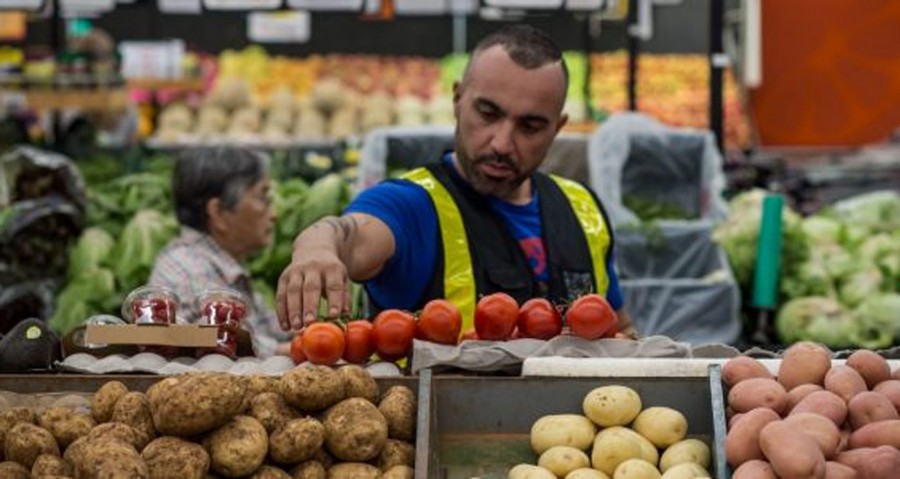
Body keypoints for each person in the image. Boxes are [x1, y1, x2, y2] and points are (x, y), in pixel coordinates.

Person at [276, 24, 637, 338]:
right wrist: (317, 250)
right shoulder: (412, 203)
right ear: (457, 99)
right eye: (487, 113)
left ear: (557, 128)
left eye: (530, 126)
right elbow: (348, 234)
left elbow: (618, 328)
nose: (501, 143)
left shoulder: (583, 208)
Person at [149, 147, 293, 357]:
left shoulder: (221, 265)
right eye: (263, 198)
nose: (273, 215)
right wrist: (291, 350)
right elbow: (219, 340)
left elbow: (265, 326)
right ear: (218, 213)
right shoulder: (191, 269)